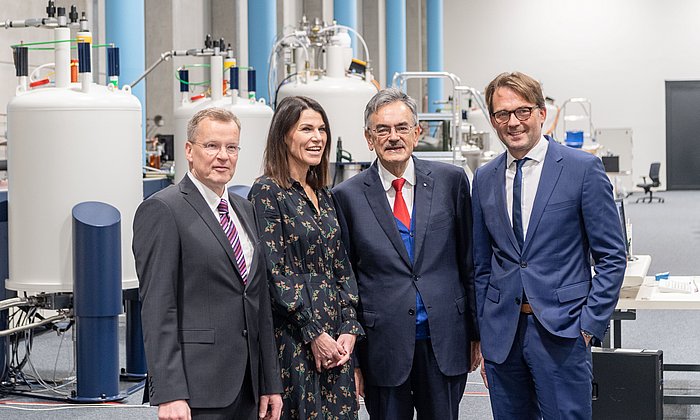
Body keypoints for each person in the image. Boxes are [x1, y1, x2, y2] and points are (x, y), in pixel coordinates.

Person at [471, 71, 627, 419]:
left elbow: (612, 257)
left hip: (563, 333)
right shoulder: (484, 178)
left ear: (542, 113)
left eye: (522, 111)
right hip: (502, 336)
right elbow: (481, 264)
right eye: (502, 114)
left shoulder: (582, 169)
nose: (513, 122)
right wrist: (485, 331)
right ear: (493, 120)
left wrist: (588, 326)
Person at [332, 88, 481, 420]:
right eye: (382, 130)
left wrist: (476, 334)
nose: (393, 137)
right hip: (382, 347)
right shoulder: (346, 196)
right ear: (369, 139)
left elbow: (469, 263)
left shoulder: (451, 181)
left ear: (418, 132)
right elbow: (345, 282)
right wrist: (354, 359)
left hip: (444, 341)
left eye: (402, 127)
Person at [133, 107, 283, 420]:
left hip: (248, 386)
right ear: (189, 150)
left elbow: (259, 302)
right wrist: (170, 392)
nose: (223, 156)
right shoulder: (163, 209)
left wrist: (270, 381)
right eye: (212, 146)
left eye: (231, 147)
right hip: (196, 390)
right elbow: (158, 308)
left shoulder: (244, 209)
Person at [248, 96, 364, 420]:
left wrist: (349, 327)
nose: (317, 138)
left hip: (336, 337)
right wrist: (312, 331)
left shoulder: (324, 194)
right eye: (306, 129)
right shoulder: (267, 192)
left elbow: (342, 266)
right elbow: (273, 272)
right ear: (284, 135)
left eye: (322, 129)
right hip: (293, 338)